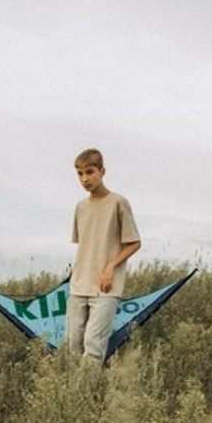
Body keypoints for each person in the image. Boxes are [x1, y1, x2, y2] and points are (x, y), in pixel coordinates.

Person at [65, 147, 141, 365]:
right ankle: (69, 396)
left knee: (93, 348)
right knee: (71, 347)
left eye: (90, 172)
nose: (85, 179)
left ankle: (84, 397)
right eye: (80, 174)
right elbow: (86, 246)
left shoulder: (118, 203)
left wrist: (110, 267)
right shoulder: (80, 207)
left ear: (102, 171)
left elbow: (134, 243)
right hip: (79, 285)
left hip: (106, 287)